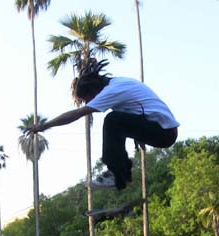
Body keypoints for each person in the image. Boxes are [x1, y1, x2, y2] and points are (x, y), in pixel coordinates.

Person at [27, 60, 179, 190]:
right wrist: (139, 135)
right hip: (162, 128)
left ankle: (117, 175)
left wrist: (43, 126)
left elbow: (76, 114)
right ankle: (121, 174)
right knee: (116, 121)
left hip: (164, 133)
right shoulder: (119, 83)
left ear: (93, 90)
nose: (89, 103)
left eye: (88, 99)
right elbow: (140, 107)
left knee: (112, 120)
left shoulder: (111, 91)